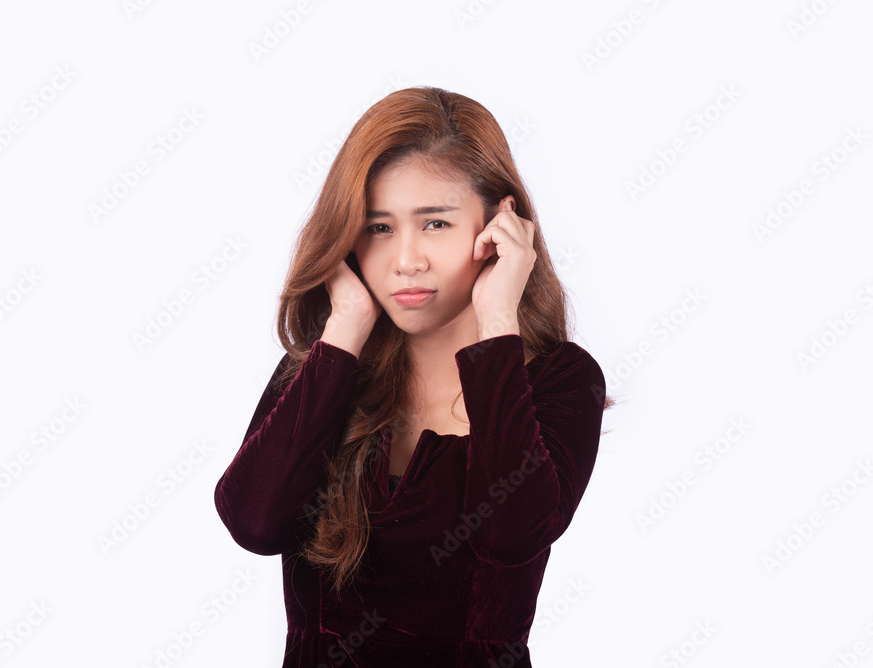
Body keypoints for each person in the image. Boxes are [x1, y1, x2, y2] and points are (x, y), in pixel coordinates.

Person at [213, 85, 611, 667]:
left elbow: (510, 535)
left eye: (436, 224)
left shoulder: (558, 379)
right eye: (378, 228)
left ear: (501, 224)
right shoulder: (321, 369)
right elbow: (254, 523)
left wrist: (498, 322)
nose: (406, 261)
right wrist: (345, 328)